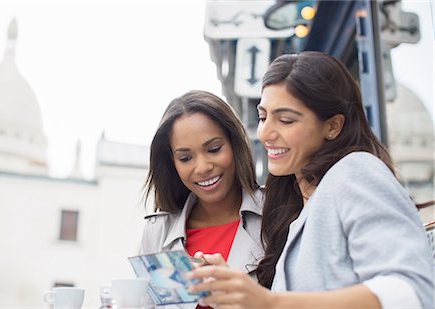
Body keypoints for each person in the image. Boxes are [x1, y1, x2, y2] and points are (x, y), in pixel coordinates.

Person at [187, 51, 433, 309]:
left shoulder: (356, 171)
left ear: (333, 126)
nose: (266, 133)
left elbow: (409, 293)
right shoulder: (296, 205)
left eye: (285, 120)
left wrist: (270, 302)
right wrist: (238, 295)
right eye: (263, 117)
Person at [140, 90, 264, 308]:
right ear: (173, 163)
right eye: (185, 158)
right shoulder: (157, 232)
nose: (203, 167)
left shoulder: (277, 212)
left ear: (234, 144)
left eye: (214, 149)